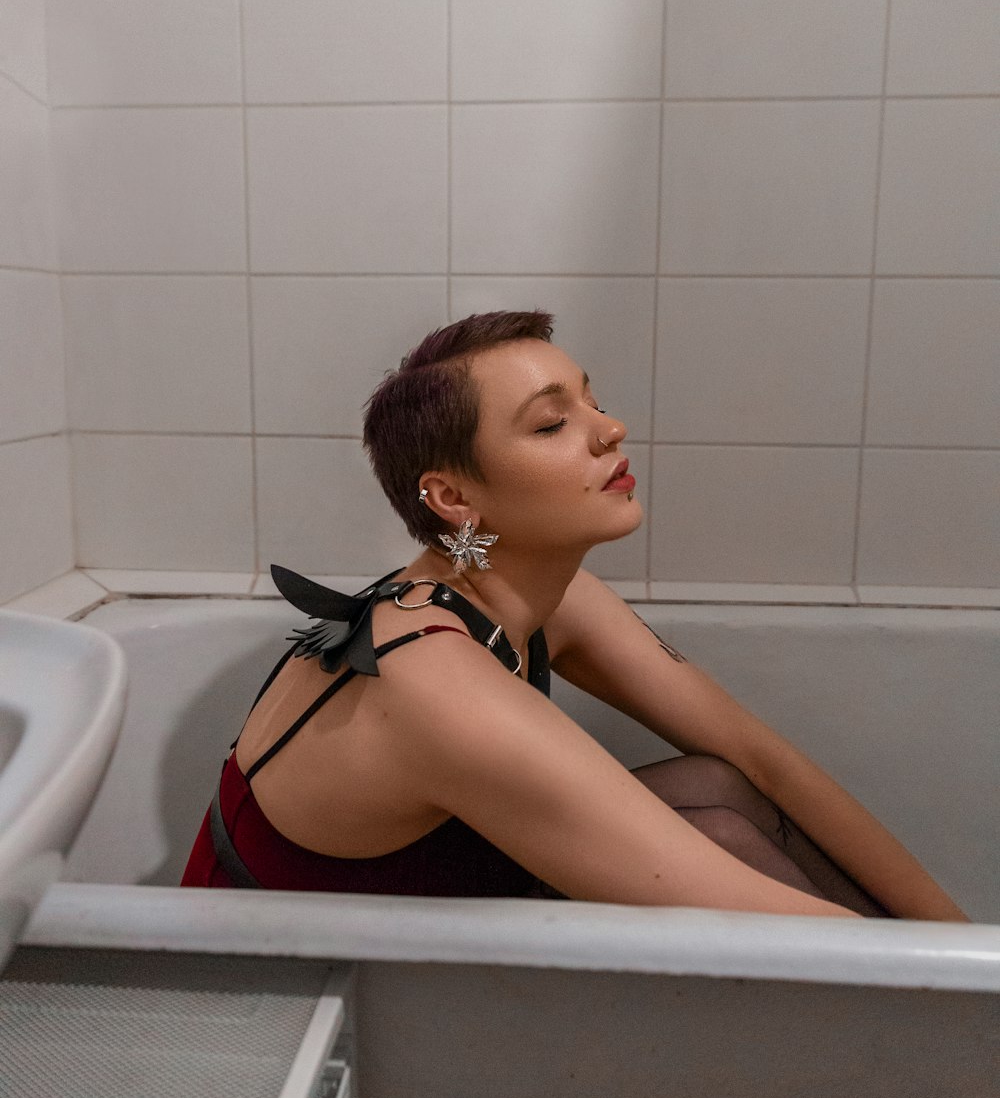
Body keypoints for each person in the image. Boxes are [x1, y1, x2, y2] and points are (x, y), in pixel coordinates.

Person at [181, 310, 970, 922]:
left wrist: (957, 941)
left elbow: (765, 762)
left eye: (592, 400)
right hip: (278, 993)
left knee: (719, 794)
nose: (609, 429)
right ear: (453, 498)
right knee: (738, 865)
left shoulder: (531, 595)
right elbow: (774, 925)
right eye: (553, 423)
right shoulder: (437, 687)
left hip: (433, 915)